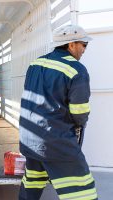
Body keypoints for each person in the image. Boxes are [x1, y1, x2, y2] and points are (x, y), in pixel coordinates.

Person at [18, 25, 98, 200]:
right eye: (83, 44)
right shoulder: (77, 70)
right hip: (56, 142)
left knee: (32, 185)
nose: (84, 49)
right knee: (83, 191)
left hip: (29, 139)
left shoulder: (35, 63)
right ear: (71, 45)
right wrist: (78, 126)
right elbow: (80, 112)